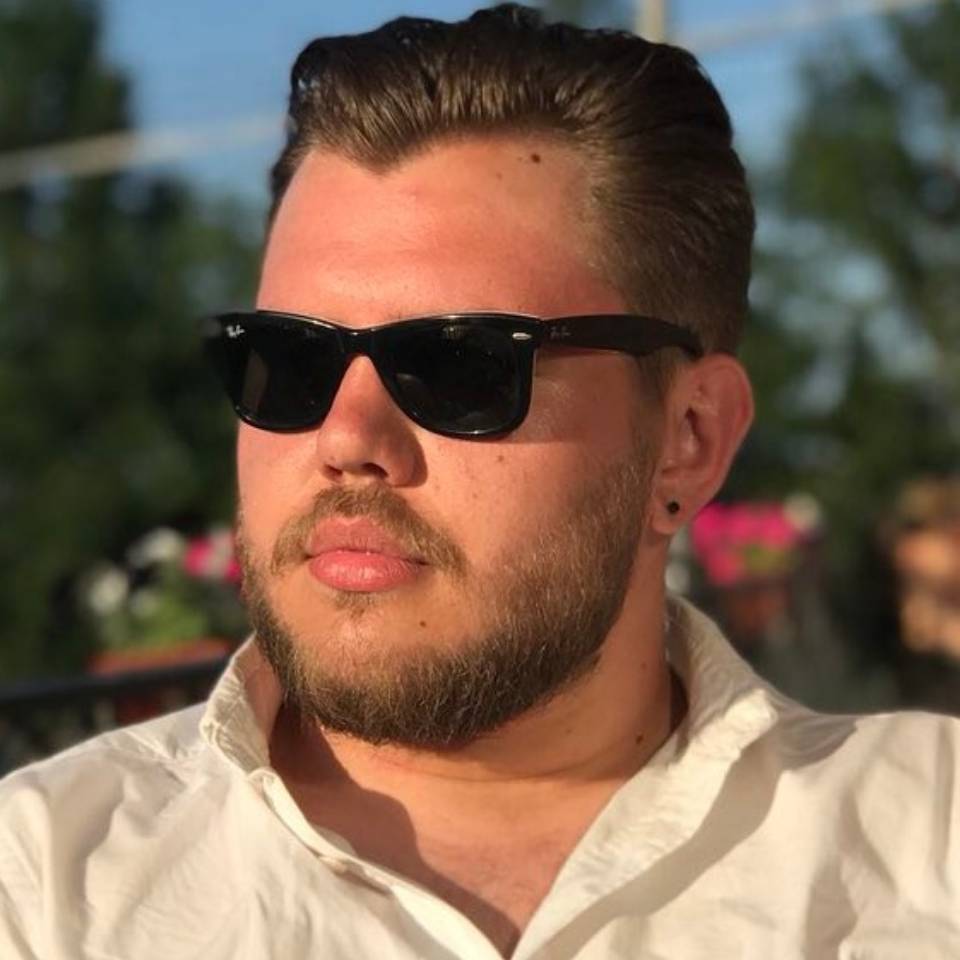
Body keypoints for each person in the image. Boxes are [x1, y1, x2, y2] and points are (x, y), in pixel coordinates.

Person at [1, 5, 957, 958]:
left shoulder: (926, 858)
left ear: (689, 439)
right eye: (288, 361)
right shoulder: (47, 888)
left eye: (460, 367)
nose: (346, 438)